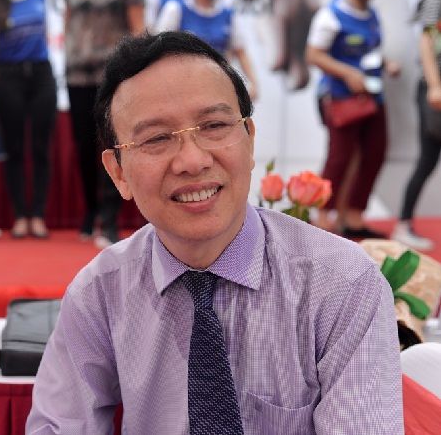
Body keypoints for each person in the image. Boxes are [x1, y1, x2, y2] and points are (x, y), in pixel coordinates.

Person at [26, 31, 403, 434]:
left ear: (249, 139)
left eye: (214, 125)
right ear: (118, 172)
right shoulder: (99, 293)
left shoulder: (342, 284)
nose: (192, 161)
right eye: (156, 138)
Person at [306, 0, 400, 239]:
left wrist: (386, 64)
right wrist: (347, 73)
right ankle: (323, 218)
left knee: (374, 154)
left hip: (373, 97)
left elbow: (371, 52)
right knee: (339, 158)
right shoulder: (331, 15)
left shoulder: (372, 14)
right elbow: (313, 55)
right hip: (341, 99)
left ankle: (353, 217)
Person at [64, 0, 144, 248]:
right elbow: (68, 18)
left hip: (113, 73)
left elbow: (137, 26)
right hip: (76, 73)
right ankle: (91, 211)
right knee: (84, 145)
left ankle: (110, 219)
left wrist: (136, 70)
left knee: (113, 143)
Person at [0, 0, 57, 238]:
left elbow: (52, 30)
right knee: (14, 148)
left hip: (41, 73)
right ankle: (20, 215)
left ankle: (38, 214)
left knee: (41, 147)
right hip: (9, 75)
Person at [392, 0, 441, 252]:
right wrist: (434, 85)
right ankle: (403, 224)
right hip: (435, 91)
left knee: (427, 161)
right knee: (426, 160)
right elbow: (427, 38)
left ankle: (403, 223)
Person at [156, 0, 258, 100]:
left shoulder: (228, 14)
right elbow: (159, 49)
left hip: (218, 84)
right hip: (183, 85)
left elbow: (240, 51)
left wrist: (253, 84)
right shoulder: (175, 9)